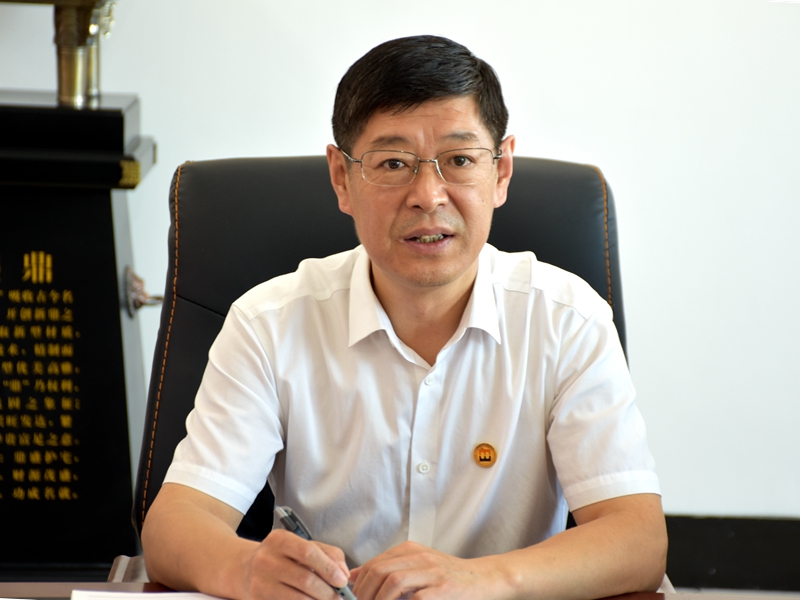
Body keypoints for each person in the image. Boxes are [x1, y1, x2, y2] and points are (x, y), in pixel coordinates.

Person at [141, 35, 667, 600]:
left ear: (501, 172)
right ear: (341, 178)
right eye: (393, 163)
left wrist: (484, 578)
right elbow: (174, 525)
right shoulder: (269, 324)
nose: (428, 195)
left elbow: (636, 539)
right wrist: (247, 569)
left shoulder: (569, 321)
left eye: (460, 160)